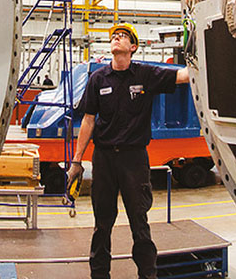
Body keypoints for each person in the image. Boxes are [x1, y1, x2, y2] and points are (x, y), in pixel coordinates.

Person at [68, 23, 189, 279]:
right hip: (104, 159)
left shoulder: (144, 74)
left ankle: (148, 275)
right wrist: (77, 161)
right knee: (102, 223)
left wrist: (203, 55)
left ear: (133, 47)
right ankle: (99, 275)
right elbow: (89, 119)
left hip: (134, 159)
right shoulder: (98, 78)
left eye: (123, 36)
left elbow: (183, 76)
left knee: (139, 221)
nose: (116, 38)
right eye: (114, 36)